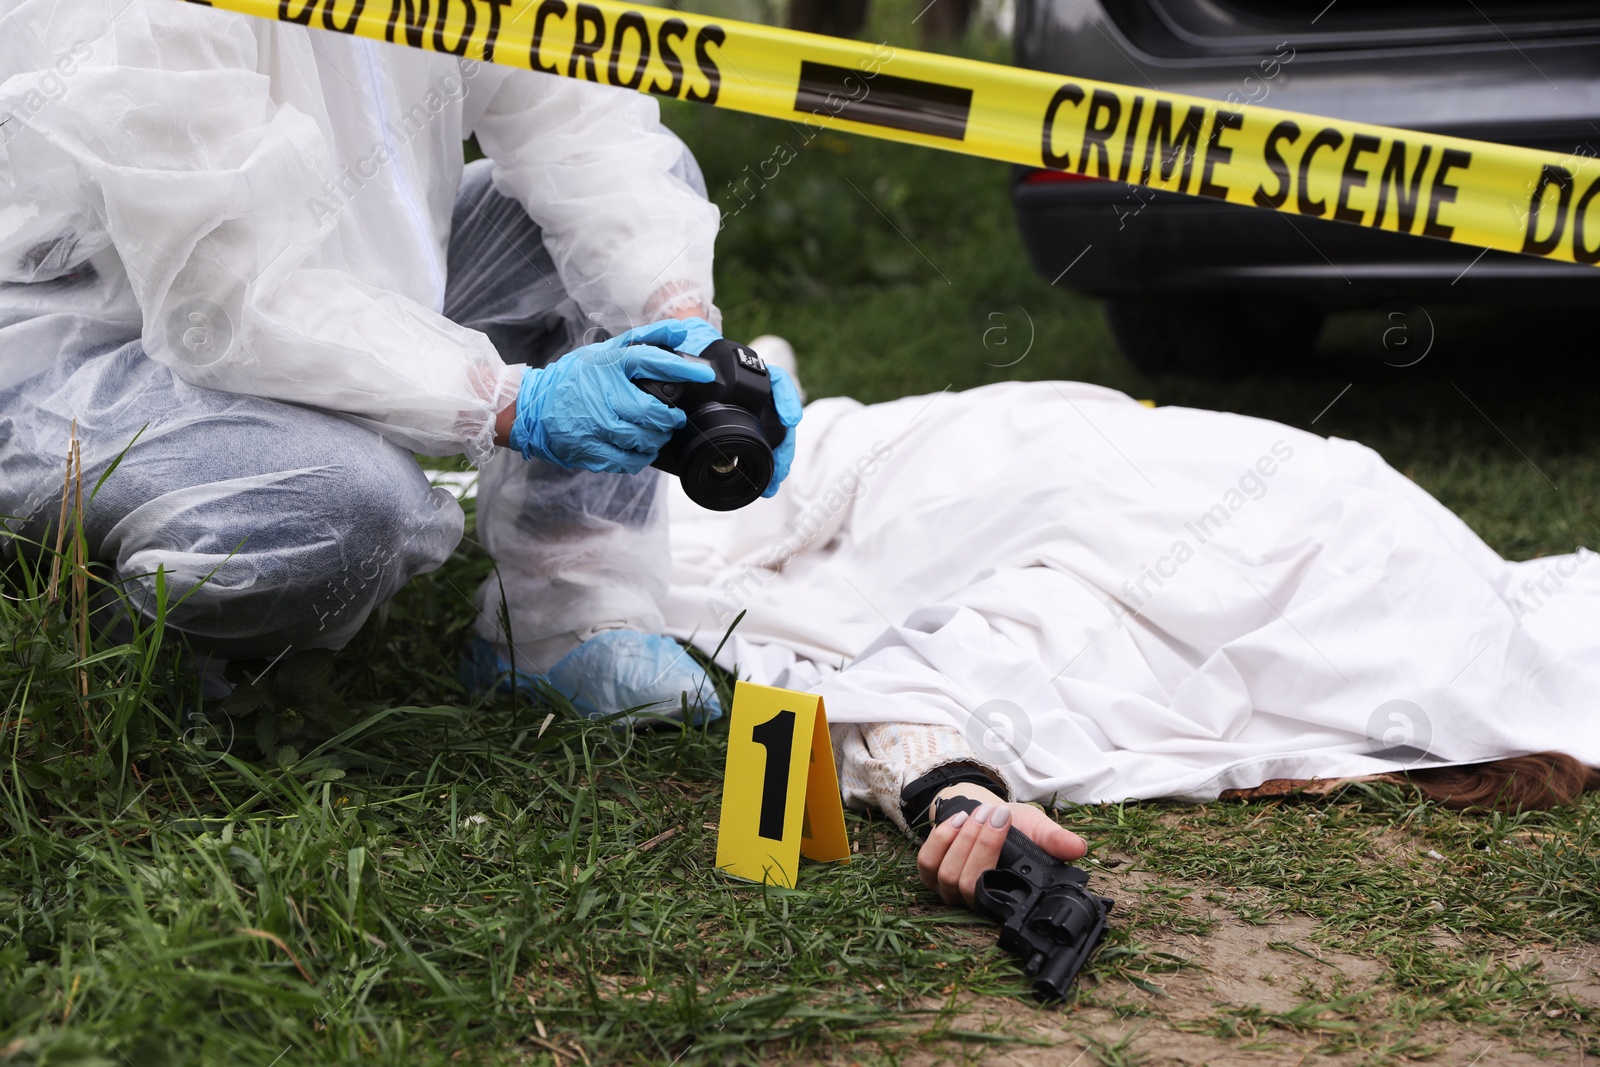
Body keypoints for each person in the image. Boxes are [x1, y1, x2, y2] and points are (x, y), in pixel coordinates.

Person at [0, 1, 799, 720]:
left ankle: (567, 614)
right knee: (350, 507)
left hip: (334, 295)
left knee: (612, 238)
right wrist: (511, 401)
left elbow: (578, 119)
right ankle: (119, 640)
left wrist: (686, 329)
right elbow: (223, 295)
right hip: (92, 359)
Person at [656, 376, 1600, 911]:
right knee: (731, 503)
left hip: (1041, 443)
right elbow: (933, 680)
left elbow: (935, 691)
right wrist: (951, 794)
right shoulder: (1316, 563)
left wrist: (954, 798)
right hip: (976, 458)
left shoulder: (1419, 559)